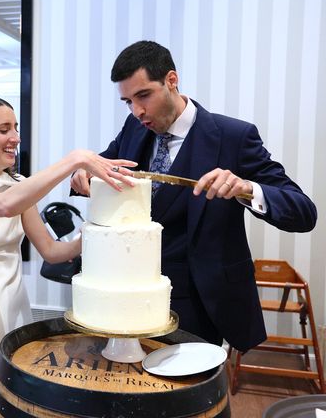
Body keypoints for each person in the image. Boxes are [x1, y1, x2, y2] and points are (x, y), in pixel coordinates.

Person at [70, 40, 318, 353]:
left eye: (144, 95)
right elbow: (104, 163)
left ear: (171, 80)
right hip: (128, 296)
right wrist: (84, 172)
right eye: (127, 101)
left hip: (198, 304)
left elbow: (304, 211)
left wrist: (246, 188)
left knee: (186, 395)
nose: (138, 111)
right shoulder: (134, 128)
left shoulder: (233, 137)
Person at [0, 94, 135, 417]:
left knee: (12, 391)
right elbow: (4, 205)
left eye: (15, 127)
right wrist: (74, 160)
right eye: (3, 129)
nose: (15, 137)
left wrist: (98, 229)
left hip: (13, 305)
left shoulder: (18, 185)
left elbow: (53, 251)